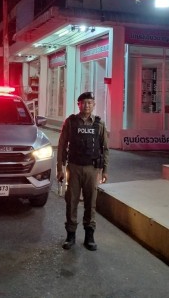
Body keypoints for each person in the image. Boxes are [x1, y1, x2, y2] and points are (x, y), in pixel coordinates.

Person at [56, 92, 109, 251]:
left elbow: (105, 148)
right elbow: (62, 146)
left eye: (90, 103)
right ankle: (70, 235)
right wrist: (60, 169)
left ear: (93, 105)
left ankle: (89, 236)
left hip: (92, 169)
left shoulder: (99, 124)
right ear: (78, 104)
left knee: (90, 202)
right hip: (74, 168)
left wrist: (105, 170)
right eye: (84, 102)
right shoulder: (70, 122)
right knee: (71, 201)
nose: (87, 105)